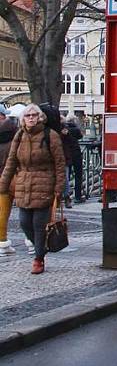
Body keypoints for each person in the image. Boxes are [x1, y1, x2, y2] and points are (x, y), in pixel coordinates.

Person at [0, 104, 66, 274]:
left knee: (38, 224)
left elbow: (59, 163)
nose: (31, 118)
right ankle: (41, 248)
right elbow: (11, 162)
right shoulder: (19, 135)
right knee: (24, 222)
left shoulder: (50, 136)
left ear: (40, 117)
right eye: (28, 115)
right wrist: (3, 184)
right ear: (23, 119)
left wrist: (59, 187)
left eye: (34, 115)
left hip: (44, 183)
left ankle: (38, 259)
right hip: (24, 183)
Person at [0, 106, 18, 255]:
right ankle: (32, 242)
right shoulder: (15, 137)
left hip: (4, 177)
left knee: (2, 212)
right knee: (27, 211)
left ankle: (2, 242)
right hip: (14, 178)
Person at [60, 114, 84, 205]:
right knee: (78, 175)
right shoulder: (76, 130)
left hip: (67, 156)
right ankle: (77, 196)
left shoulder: (63, 130)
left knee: (67, 176)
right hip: (76, 154)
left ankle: (66, 196)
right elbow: (80, 136)